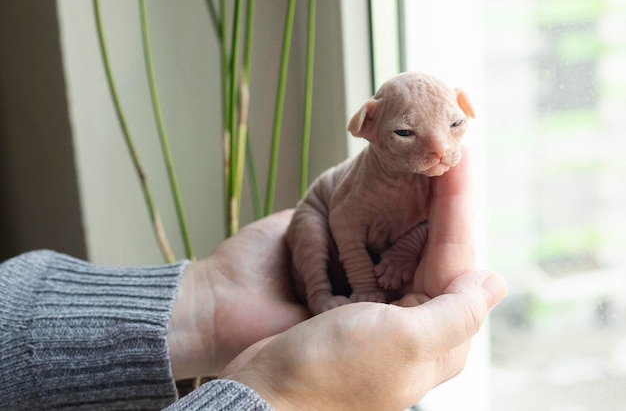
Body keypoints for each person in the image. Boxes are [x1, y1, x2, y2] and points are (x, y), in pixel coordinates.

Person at [0, 148, 507, 410]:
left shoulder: (425, 179)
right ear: (367, 126)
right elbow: (347, 227)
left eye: (457, 126)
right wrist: (279, 396)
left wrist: (204, 303)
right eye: (405, 134)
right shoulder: (361, 183)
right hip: (330, 261)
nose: (441, 150)